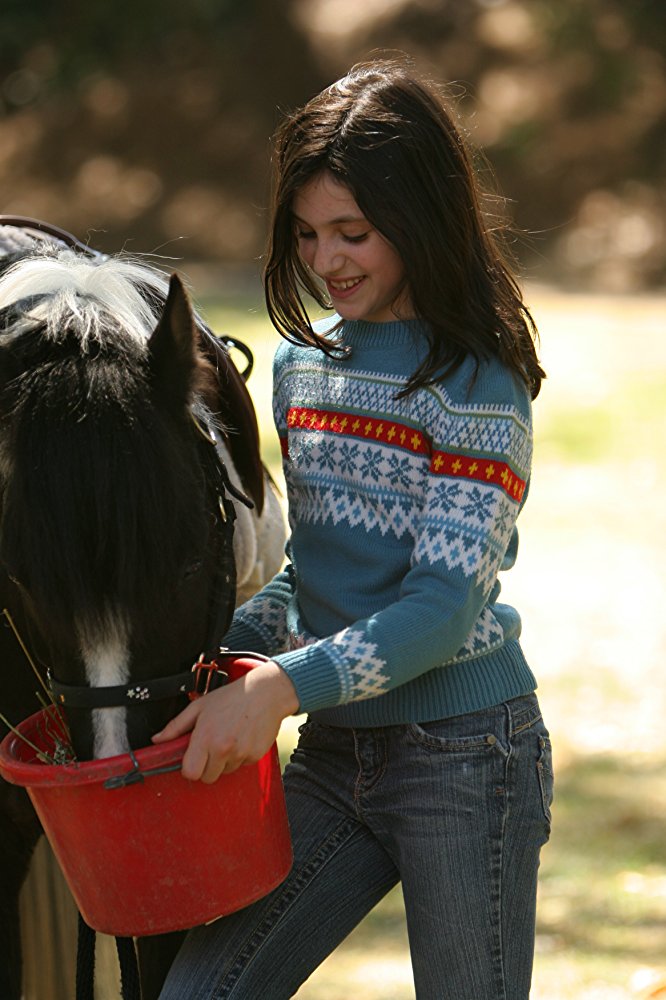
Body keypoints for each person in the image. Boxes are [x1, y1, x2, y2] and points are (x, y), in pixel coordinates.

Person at [155, 57, 553, 1000]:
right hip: (337, 751)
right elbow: (313, 575)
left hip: (468, 758)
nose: (326, 260)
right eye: (306, 235)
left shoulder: (478, 389)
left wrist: (276, 691)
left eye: (354, 232)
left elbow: (440, 611)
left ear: (421, 217)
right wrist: (214, 661)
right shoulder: (303, 371)